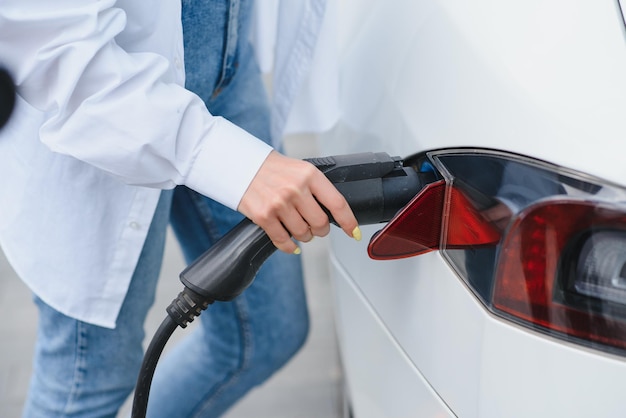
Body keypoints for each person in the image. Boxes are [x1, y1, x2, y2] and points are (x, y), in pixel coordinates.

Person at [0, 0, 359, 416]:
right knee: (91, 379)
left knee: (266, 333)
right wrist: (228, 161)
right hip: (108, 89)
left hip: (228, 56)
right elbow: (54, 45)